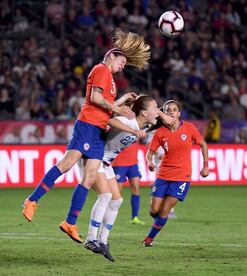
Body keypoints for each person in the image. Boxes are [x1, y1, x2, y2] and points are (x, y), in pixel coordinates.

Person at [22, 28, 151, 244]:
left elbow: (106, 109)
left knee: (90, 176)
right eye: (121, 62)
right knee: (67, 163)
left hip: (99, 131)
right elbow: (94, 98)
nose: (122, 67)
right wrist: (117, 108)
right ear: (112, 55)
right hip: (88, 125)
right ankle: (32, 200)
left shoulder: (110, 79)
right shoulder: (101, 69)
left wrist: (121, 102)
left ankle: (70, 222)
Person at [83, 95, 174, 261]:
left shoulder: (144, 125)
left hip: (106, 163)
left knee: (117, 201)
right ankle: (91, 238)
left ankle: (102, 241)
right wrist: (132, 131)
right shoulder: (130, 121)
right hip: (93, 157)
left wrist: (162, 115)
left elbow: (164, 120)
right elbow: (110, 121)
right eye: (155, 109)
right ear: (144, 113)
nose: (158, 112)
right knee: (106, 196)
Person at [143, 100, 209, 247]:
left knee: (165, 209)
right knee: (154, 211)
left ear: (179, 113)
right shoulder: (160, 132)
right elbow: (150, 152)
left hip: (181, 177)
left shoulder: (189, 128)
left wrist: (206, 166)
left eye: (174, 109)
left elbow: (203, 144)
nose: (171, 112)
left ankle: (149, 239)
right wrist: (150, 162)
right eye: (168, 110)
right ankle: (159, 221)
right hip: (163, 175)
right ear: (164, 114)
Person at [111, 141, 145, 225]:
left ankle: (135, 217)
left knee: (136, 190)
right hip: (119, 164)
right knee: (117, 193)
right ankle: (110, 216)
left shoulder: (135, 129)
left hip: (133, 163)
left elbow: (143, 138)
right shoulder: (122, 129)